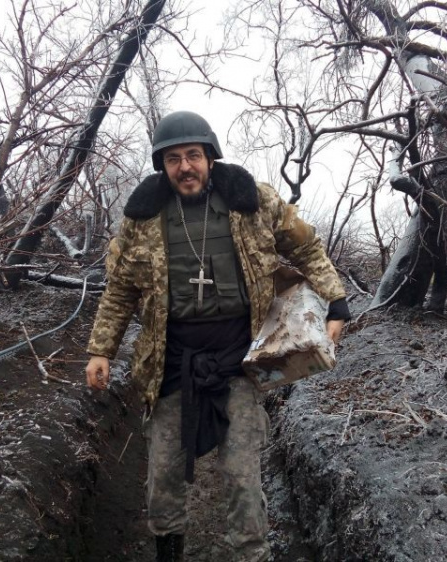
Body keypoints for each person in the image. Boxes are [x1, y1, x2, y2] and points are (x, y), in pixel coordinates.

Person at [85, 111, 350, 562]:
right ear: (162, 165)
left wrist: (336, 299)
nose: (185, 166)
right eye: (173, 159)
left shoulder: (253, 202)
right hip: (171, 362)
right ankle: (169, 551)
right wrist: (100, 350)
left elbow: (305, 246)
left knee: (243, 475)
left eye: (193, 155)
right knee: (163, 476)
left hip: (239, 360)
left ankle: (251, 554)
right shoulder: (143, 217)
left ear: (209, 156)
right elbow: (120, 289)